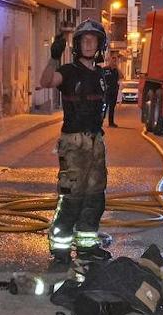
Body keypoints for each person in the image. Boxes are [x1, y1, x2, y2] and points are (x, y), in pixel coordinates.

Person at [38, 20, 112, 267]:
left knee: (95, 197)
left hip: (96, 141)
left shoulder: (102, 75)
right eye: (84, 39)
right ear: (78, 45)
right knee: (72, 197)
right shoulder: (68, 72)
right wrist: (53, 57)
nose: (89, 43)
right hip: (74, 143)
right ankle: (60, 248)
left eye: (94, 39)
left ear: (100, 45)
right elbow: (46, 81)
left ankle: (86, 246)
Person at [101, 56, 120, 128]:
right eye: (113, 61)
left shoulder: (116, 70)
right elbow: (100, 78)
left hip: (114, 91)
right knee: (104, 107)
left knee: (112, 108)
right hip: (106, 92)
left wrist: (117, 68)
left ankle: (111, 123)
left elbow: (121, 76)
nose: (114, 62)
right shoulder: (105, 69)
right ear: (110, 61)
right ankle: (100, 121)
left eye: (115, 61)